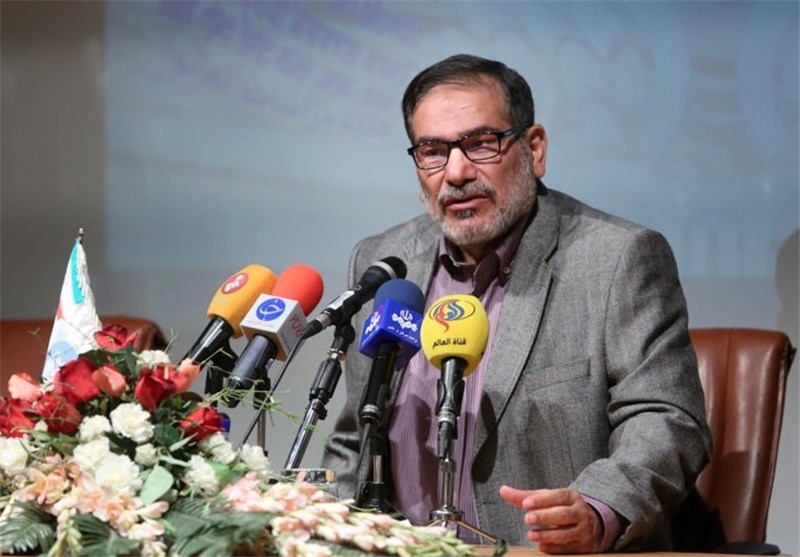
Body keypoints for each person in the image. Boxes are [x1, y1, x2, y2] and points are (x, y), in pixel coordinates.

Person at [321, 53, 712, 553]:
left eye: (481, 144)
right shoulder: (384, 262)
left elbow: (666, 420)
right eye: (433, 151)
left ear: (534, 148)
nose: (456, 172)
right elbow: (356, 436)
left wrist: (597, 510)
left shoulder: (616, 258)